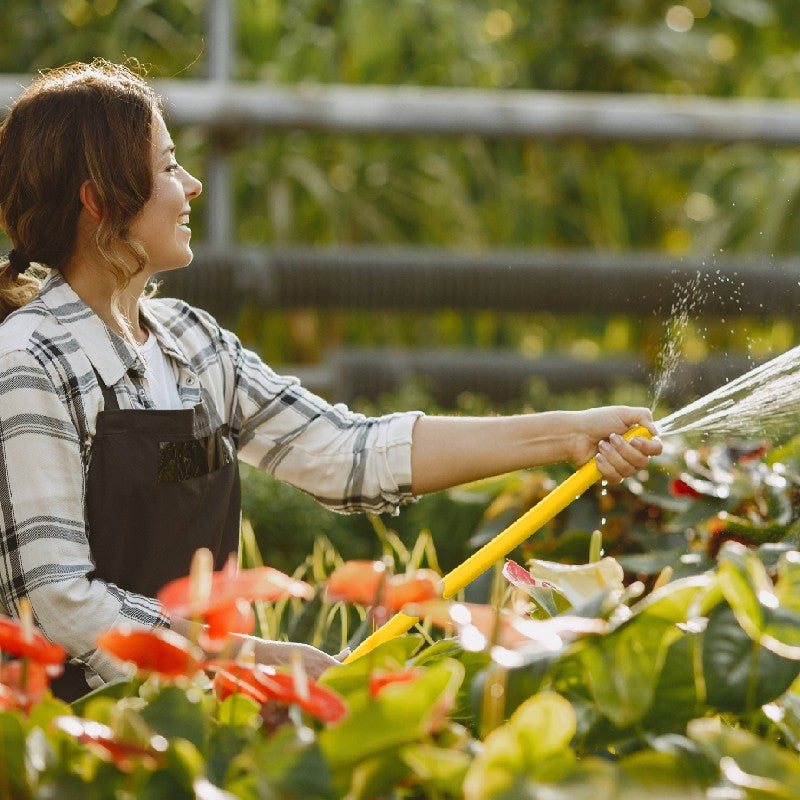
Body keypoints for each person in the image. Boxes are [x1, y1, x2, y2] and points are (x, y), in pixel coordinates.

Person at [0, 60, 662, 701]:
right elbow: (58, 600)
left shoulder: (191, 345)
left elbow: (348, 453)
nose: (193, 184)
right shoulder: (32, 362)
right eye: (170, 166)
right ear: (98, 200)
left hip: (193, 719)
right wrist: (249, 663)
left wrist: (572, 433)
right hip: (68, 739)